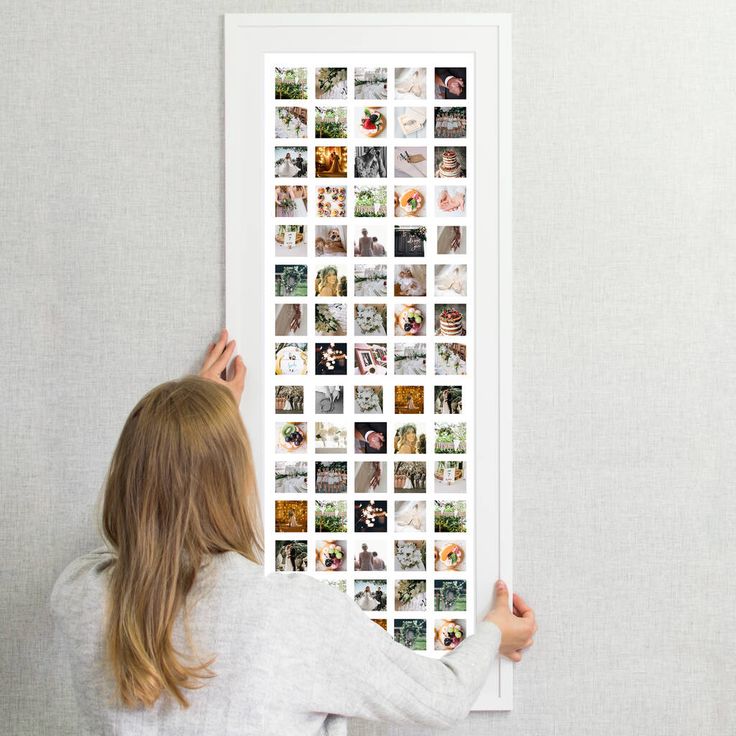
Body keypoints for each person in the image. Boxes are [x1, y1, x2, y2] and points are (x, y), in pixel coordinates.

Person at [51, 328, 536, 735]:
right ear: (234, 480)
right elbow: (441, 697)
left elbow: (137, 533)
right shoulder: (293, 615)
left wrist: (185, 428)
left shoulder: (80, 596)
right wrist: (494, 632)